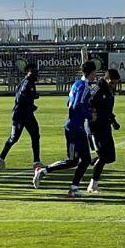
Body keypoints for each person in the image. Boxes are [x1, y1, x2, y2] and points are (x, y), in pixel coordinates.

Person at [33, 60, 96, 198]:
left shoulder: (76, 84)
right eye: (94, 73)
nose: (95, 76)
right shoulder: (85, 87)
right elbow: (76, 105)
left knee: (85, 160)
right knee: (72, 160)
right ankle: (43, 171)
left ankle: (73, 188)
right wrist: (89, 114)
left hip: (76, 127)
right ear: (91, 73)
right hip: (74, 128)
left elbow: (69, 102)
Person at [0, 62, 42, 170]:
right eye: (33, 71)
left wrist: (33, 98)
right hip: (20, 115)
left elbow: (24, 95)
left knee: (35, 135)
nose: (36, 73)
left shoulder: (29, 82)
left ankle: (36, 161)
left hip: (27, 115)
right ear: (27, 72)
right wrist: (31, 104)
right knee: (14, 138)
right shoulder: (27, 82)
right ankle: (1, 157)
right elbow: (20, 98)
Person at [87, 68, 122, 194]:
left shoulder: (109, 91)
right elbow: (88, 104)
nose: (114, 85)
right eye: (113, 82)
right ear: (107, 79)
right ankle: (92, 185)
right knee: (103, 156)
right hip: (95, 129)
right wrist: (93, 116)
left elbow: (107, 110)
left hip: (105, 127)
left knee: (111, 157)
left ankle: (87, 162)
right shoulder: (97, 90)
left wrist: (113, 121)